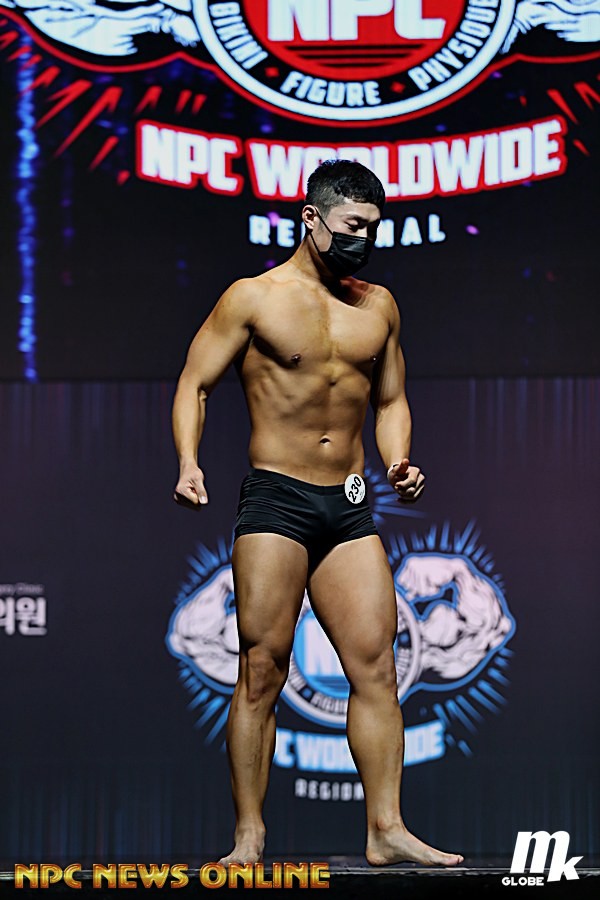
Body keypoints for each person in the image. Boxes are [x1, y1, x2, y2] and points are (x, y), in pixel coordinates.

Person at [171, 160, 464, 868]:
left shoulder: (379, 306)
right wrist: (188, 461)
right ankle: (249, 835)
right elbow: (195, 383)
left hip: (350, 503)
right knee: (262, 668)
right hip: (277, 497)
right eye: (352, 225)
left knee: (378, 667)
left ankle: (385, 828)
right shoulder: (253, 298)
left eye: (373, 228)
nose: (364, 239)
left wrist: (399, 459)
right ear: (311, 218)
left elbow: (390, 399)